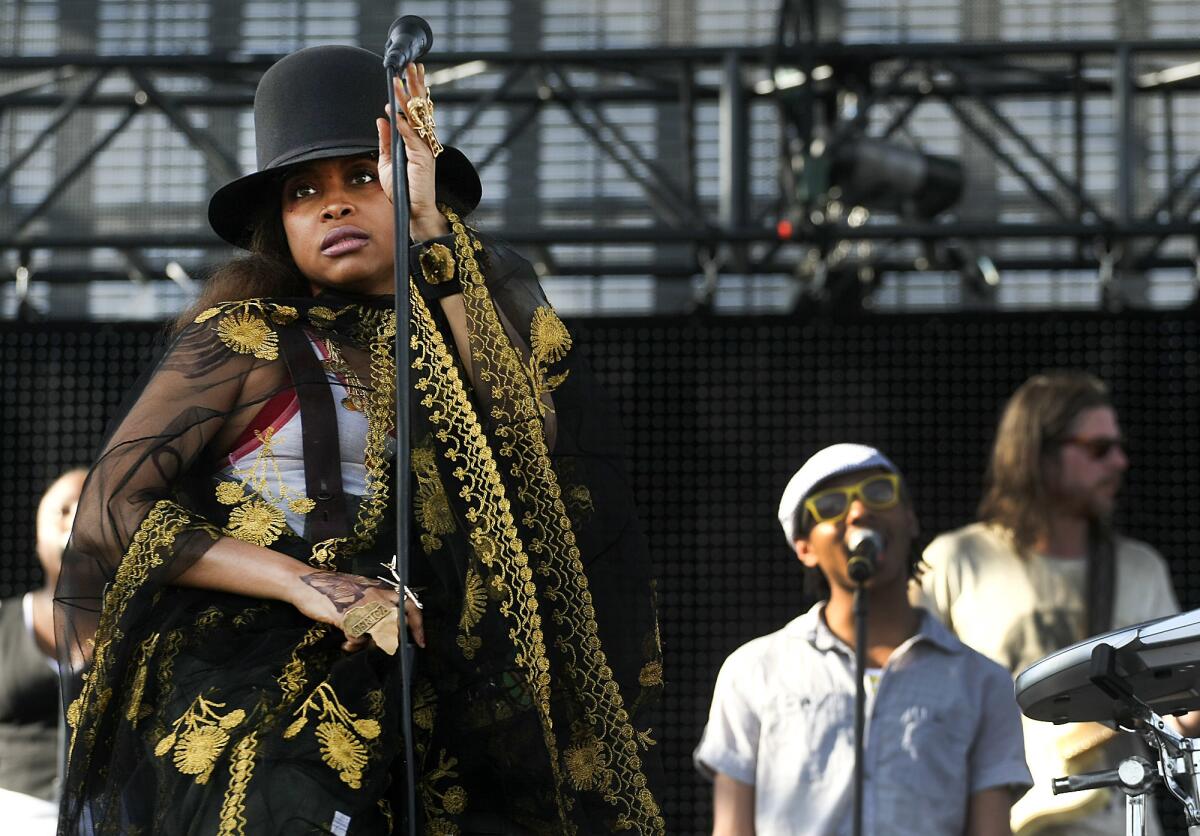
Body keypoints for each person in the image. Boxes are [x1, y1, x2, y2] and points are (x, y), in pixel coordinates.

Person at [56, 45, 664, 835]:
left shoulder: (466, 337)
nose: (334, 205)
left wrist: (426, 227)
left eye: (362, 176)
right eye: (304, 191)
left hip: (453, 712)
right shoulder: (247, 342)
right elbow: (110, 510)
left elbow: (528, 448)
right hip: (276, 703)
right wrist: (309, 584)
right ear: (280, 224)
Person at [695, 443, 1031, 836]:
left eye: (878, 492)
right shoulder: (753, 671)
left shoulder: (983, 682)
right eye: (832, 504)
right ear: (804, 547)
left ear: (910, 518)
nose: (858, 511)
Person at [919, 371, 1195, 835]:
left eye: (1118, 446)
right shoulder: (957, 561)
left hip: (1124, 821)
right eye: (1099, 449)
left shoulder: (1139, 567)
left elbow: (1183, 715)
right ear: (1037, 454)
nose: (1120, 462)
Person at [0, 469, 85, 832]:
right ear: (37, 537)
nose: (74, 519)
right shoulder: (4, 622)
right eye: (63, 510)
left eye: (88, 508)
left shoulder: (140, 632)